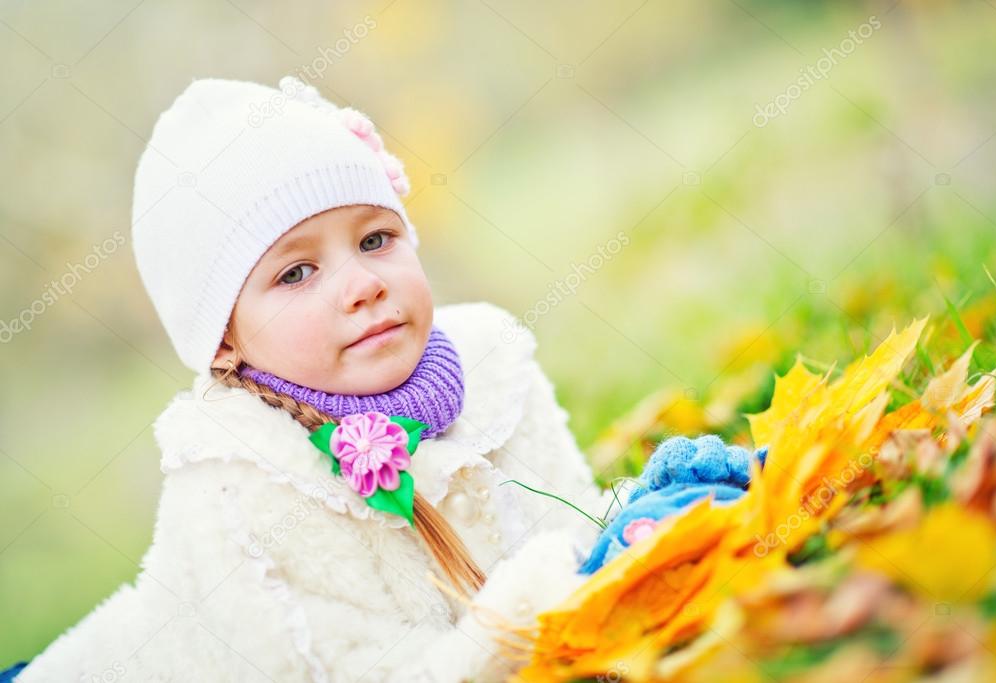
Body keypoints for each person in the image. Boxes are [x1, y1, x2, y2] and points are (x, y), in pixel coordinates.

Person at [12, 75, 615, 683]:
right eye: (297, 273)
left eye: (375, 239)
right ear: (223, 335)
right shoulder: (238, 489)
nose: (363, 285)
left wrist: (648, 521)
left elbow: (582, 534)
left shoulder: (491, 365)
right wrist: (537, 593)